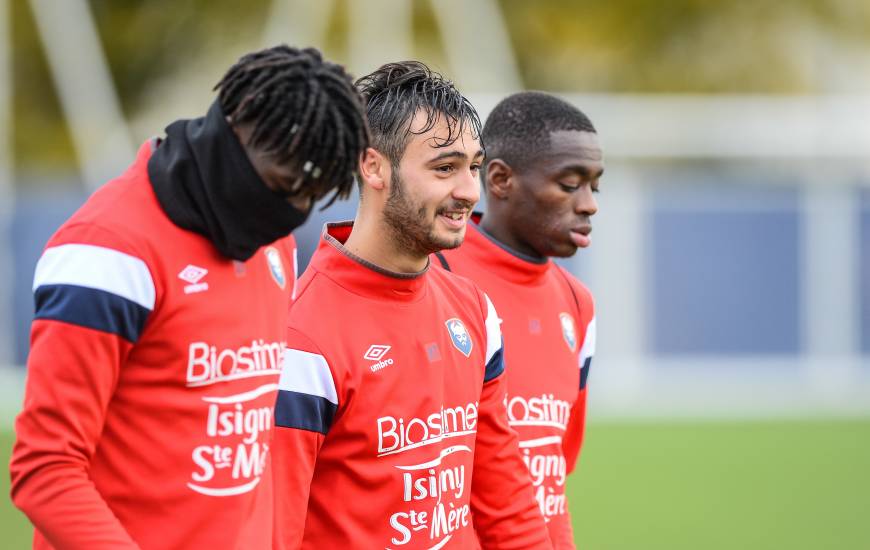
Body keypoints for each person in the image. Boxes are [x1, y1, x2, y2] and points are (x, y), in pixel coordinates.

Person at [9, 45, 369, 549]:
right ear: (234, 126)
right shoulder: (109, 252)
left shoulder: (275, 243)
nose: (289, 211)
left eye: (309, 199)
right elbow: (45, 470)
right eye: (281, 186)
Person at [271, 61, 551, 549]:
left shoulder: (473, 309)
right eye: (445, 168)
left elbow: (507, 505)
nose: (468, 191)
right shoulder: (301, 337)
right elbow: (274, 535)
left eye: (473, 167)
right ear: (373, 166)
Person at [435, 91, 602, 548]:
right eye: (570, 184)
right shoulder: (436, 277)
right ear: (501, 179)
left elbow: (557, 462)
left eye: (595, 186)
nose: (589, 204)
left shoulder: (577, 303)